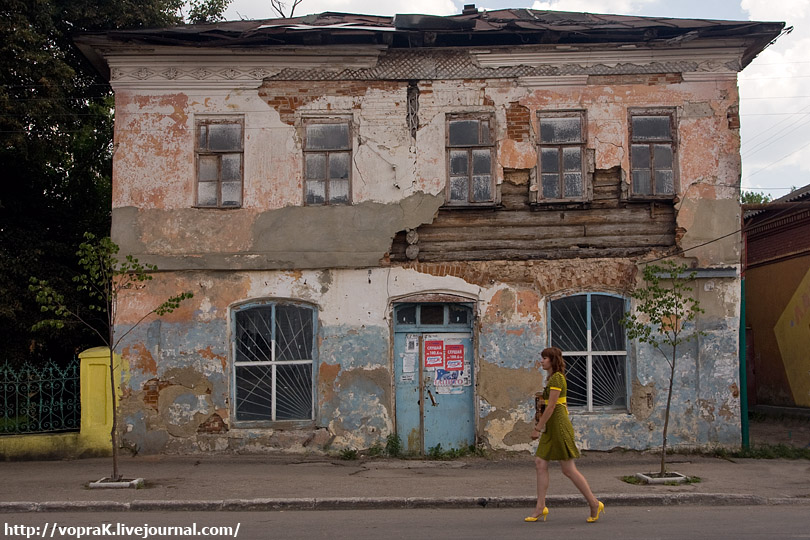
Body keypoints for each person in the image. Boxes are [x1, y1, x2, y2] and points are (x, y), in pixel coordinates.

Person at [525, 346, 605, 523]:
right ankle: (540, 507)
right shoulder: (552, 378)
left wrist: (537, 428)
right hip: (551, 426)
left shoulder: (557, 378)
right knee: (540, 463)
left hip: (559, 425)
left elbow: (552, 406)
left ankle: (594, 503)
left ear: (553, 360)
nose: (542, 361)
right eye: (542, 357)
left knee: (568, 469)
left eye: (545, 358)